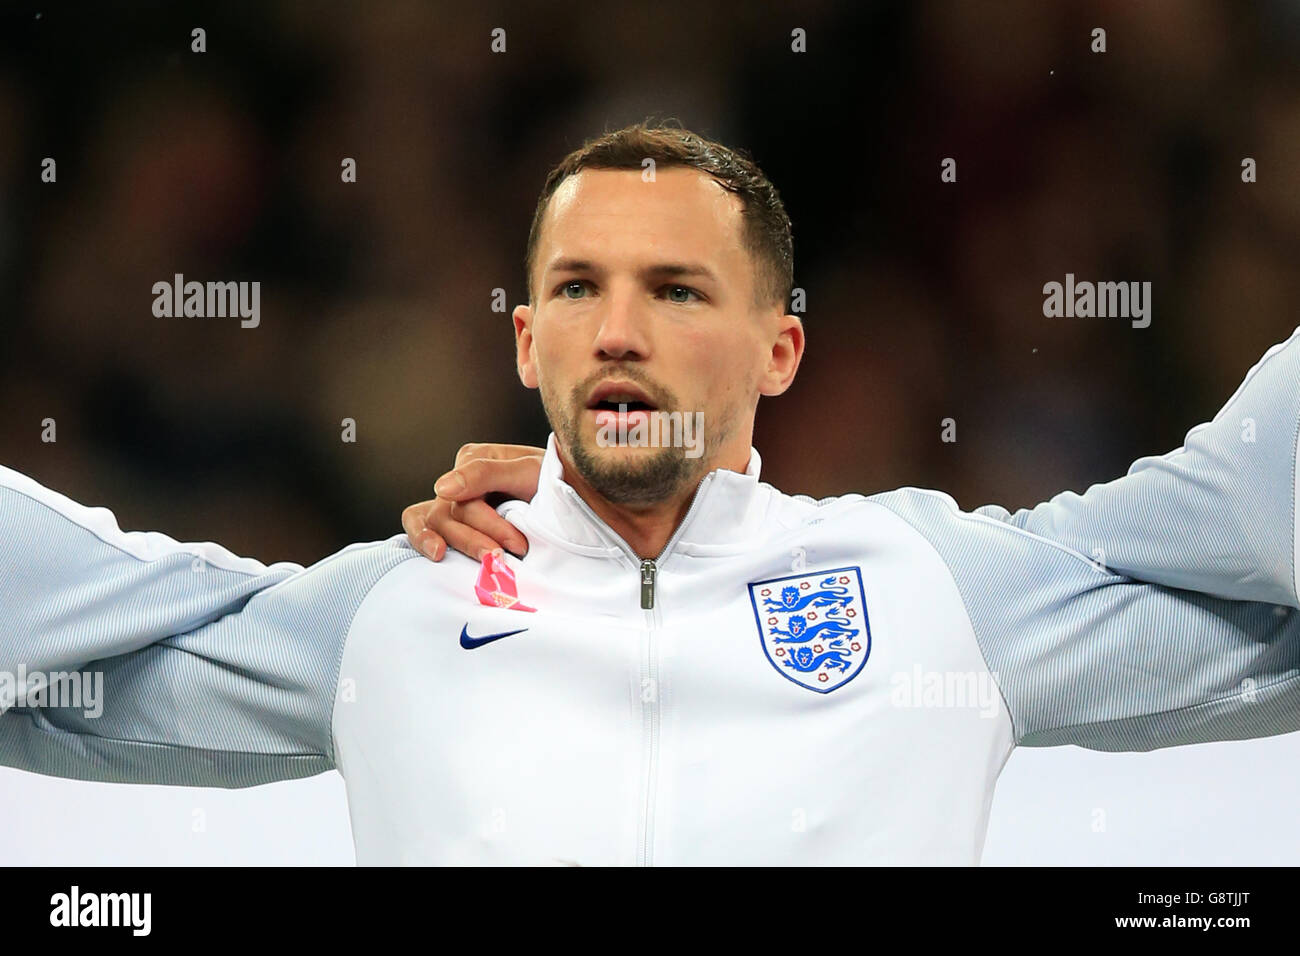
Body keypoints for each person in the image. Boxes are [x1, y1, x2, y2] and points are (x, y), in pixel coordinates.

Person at [3, 123, 1298, 866]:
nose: (618, 329)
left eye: (677, 290)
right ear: (526, 345)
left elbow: (1245, 540)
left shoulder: (933, 594)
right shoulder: (394, 611)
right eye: (578, 289)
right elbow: (64, 655)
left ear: (779, 349)